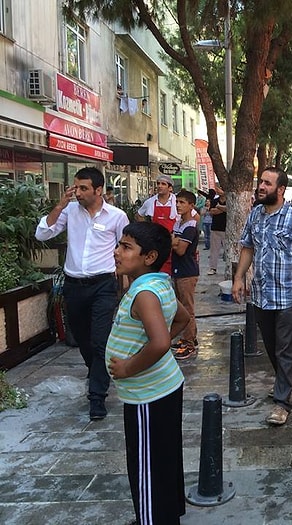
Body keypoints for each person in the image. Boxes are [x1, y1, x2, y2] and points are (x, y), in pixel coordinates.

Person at [106, 221, 190, 525]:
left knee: (144, 464)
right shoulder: (158, 284)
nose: (117, 252)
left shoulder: (144, 294)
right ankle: (164, 513)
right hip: (162, 388)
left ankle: (152, 517)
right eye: (119, 245)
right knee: (163, 457)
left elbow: (161, 341)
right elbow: (182, 318)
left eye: (126, 247)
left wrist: (128, 366)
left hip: (147, 396)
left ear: (149, 257)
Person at [35, 166, 129, 420]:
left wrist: (128, 281)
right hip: (74, 285)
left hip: (103, 285)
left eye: (83, 188)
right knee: (82, 338)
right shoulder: (69, 212)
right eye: (76, 187)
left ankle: (97, 396)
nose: (77, 192)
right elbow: (42, 233)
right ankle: (96, 370)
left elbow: (126, 249)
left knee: (100, 340)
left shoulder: (117, 216)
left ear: (98, 190)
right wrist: (59, 205)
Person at [232, 166, 292, 426]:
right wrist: (239, 278)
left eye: (267, 184)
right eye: (261, 182)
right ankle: (283, 380)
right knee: (271, 346)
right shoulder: (255, 215)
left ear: (281, 189)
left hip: (289, 295)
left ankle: (282, 402)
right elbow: (247, 247)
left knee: (285, 348)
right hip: (262, 295)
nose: (261, 187)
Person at [170, 190, 200, 360]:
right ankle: (189, 337)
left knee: (187, 309)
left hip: (187, 272)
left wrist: (174, 242)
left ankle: (189, 343)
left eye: (182, 202)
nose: (179, 205)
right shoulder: (178, 223)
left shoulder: (190, 227)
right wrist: (174, 241)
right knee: (181, 306)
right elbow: (172, 240)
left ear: (191, 205)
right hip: (178, 271)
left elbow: (181, 250)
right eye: (177, 202)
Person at [136, 174, 178, 275]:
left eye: (163, 184)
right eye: (158, 184)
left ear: (170, 188)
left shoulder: (177, 201)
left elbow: (195, 216)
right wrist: (147, 229)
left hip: (173, 240)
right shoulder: (150, 202)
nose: (159, 186)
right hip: (157, 240)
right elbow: (138, 215)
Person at [207, 187, 226, 275]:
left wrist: (218, 207)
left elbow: (229, 209)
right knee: (214, 250)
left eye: (221, 188)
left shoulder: (230, 200)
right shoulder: (215, 201)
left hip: (227, 229)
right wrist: (223, 209)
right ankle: (213, 268)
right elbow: (211, 211)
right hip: (215, 228)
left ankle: (229, 267)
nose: (219, 190)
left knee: (229, 250)